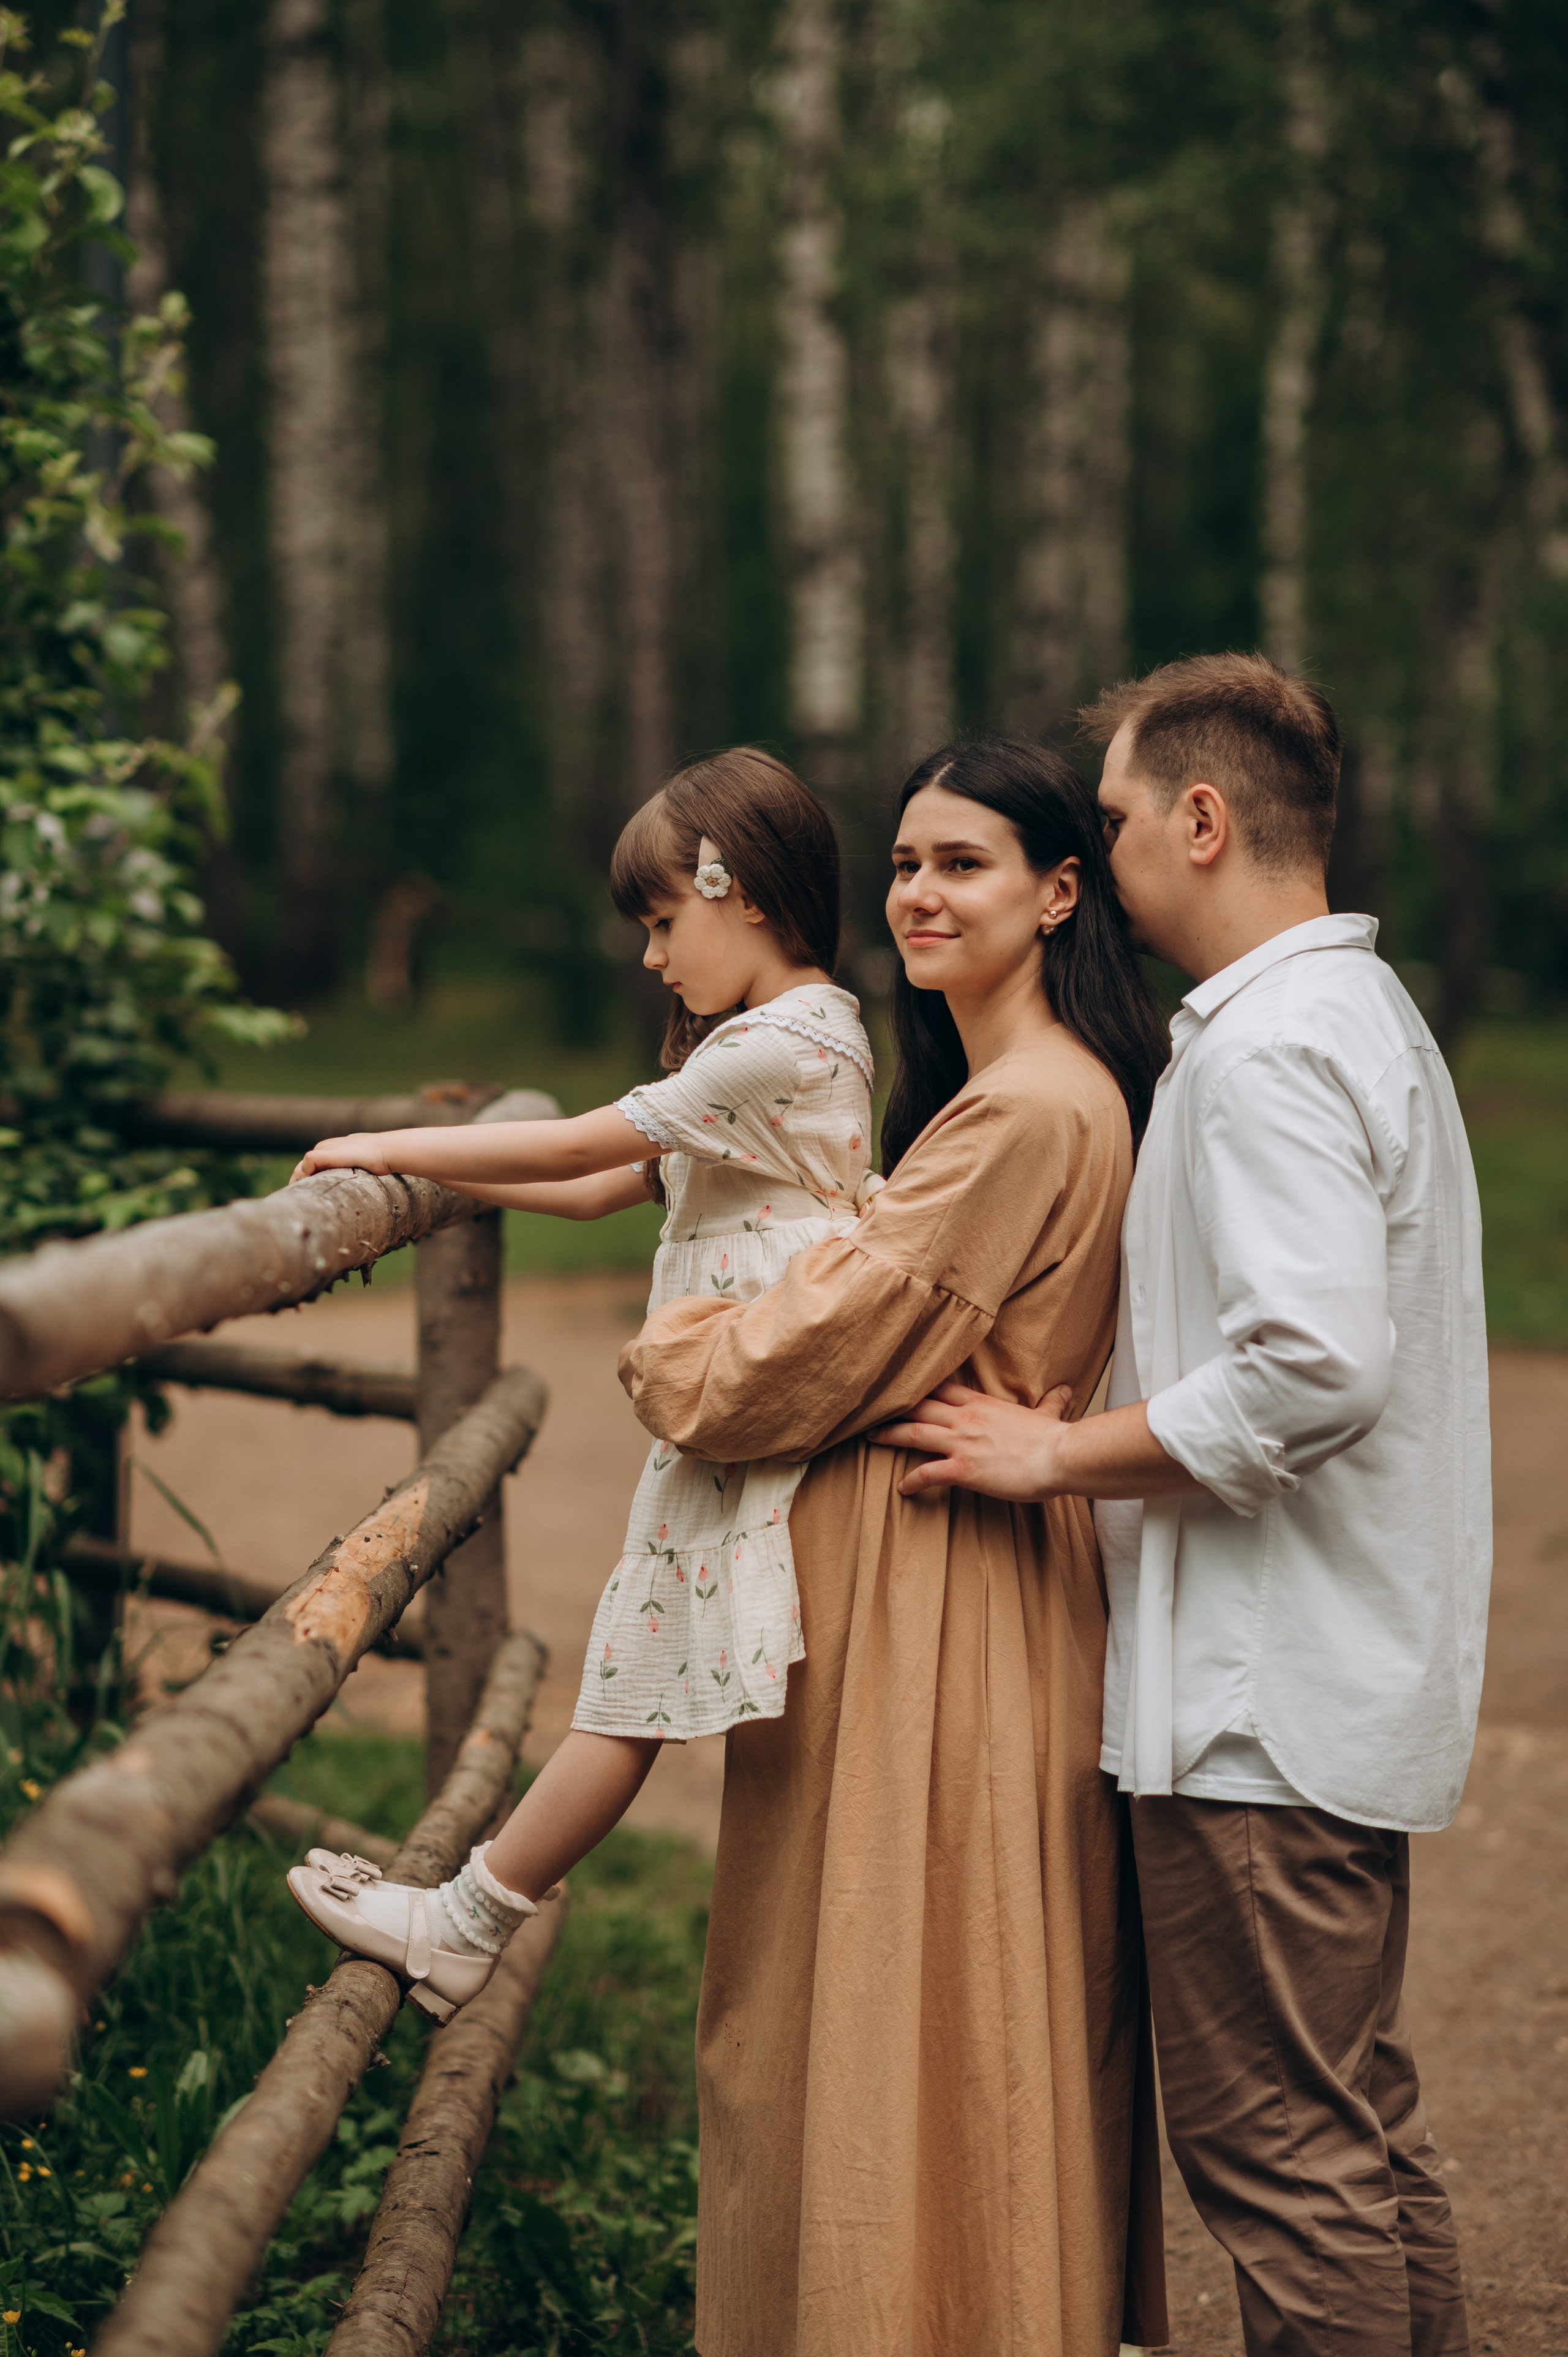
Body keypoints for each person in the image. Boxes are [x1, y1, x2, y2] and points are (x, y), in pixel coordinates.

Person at [872, 654, 1488, 2357]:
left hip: (1256, 1703)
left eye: (1125, 820)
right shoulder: (1356, 1019)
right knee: (1353, 2137)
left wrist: (1054, 1454)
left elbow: (1315, 1366)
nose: (1110, 855)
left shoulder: (1271, 1049)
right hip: (1332, 1674)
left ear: (1202, 822)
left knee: (1281, 2161)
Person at [619, 740, 1170, 2357]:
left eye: (967, 863)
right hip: (922, 1598)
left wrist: (676, 1346)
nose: (921, 893)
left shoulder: (1025, 1117)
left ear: (1061, 894)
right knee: (886, 2011)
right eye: (908, 863)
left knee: (903, 2016)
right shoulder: (990, 1106)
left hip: (949, 1618)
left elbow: (758, 1373)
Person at [284, 748, 880, 2019]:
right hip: (730, 1414)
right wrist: (441, 1185)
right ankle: (468, 1916)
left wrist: (382, 1141)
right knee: (636, 1671)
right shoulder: (785, 1042)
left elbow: (578, 1139)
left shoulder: (780, 1045)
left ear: (746, 893)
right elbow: (600, 1185)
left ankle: (464, 1921)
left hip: (745, 1412)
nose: (654, 958)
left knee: (631, 1680)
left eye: (666, 923)